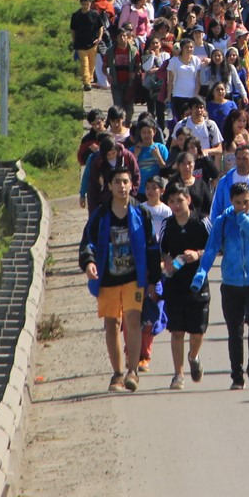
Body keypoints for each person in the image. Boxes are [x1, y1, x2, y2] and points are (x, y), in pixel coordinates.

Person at [78, 168, 161, 393]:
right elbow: (88, 242)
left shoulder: (140, 213)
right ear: (110, 185)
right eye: (117, 182)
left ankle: (132, 371)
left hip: (134, 277)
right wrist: (89, 263)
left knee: (132, 321)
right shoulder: (101, 215)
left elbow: (152, 247)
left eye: (125, 182)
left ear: (131, 185)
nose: (121, 186)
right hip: (108, 278)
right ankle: (117, 373)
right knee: (111, 324)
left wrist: (154, 279)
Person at [193, 182, 249, 390]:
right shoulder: (223, 221)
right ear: (231, 201)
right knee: (235, 330)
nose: (242, 207)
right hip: (231, 282)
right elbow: (211, 249)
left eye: (246, 202)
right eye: (238, 203)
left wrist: (247, 224)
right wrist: (201, 272)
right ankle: (237, 375)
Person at [159, 181, 210, 389]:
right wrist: (167, 261)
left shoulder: (202, 221)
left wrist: (197, 254)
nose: (176, 205)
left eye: (180, 200)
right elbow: (161, 250)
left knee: (197, 332)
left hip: (198, 283)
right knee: (177, 331)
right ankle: (178, 374)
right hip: (175, 283)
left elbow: (215, 248)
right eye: (171, 201)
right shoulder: (167, 225)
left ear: (188, 199)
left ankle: (194, 356)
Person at [70, 0, 107, 92]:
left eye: (88, 4)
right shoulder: (76, 15)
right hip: (80, 44)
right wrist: (74, 41)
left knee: (92, 64)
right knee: (84, 63)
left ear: (90, 4)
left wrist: (99, 38)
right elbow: (73, 30)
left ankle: (89, 79)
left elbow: (100, 27)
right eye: (84, 4)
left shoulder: (95, 14)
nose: (86, 6)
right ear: (81, 3)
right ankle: (86, 82)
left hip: (92, 43)